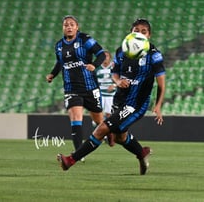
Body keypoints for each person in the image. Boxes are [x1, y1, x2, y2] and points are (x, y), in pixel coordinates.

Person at [57, 18, 165, 175]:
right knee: (120, 138)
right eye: (136, 30)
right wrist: (118, 81)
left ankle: (70, 160)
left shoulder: (154, 55)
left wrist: (158, 105)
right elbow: (114, 72)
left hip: (135, 104)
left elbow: (161, 82)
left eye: (144, 31)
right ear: (130, 32)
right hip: (120, 99)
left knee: (102, 128)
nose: (139, 33)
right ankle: (142, 153)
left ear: (149, 36)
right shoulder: (122, 50)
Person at [46, 15, 106, 156]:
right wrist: (52, 74)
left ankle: (108, 134)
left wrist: (94, 65)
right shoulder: (59, 45)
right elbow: (60, 63)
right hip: (71, 88)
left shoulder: (85, 39)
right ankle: (79, 153)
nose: (69, 27)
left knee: (99, 120)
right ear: (63, 28)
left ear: (77, 27)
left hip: (90, 87)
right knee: (75, 117)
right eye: (66, 24)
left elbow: (101, 54)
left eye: (72, 24)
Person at [95, 50, 117, 146]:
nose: (105, 58)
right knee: (99, 116)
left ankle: (110, 136)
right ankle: (102, 136)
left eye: (107, 56)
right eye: (103, 56)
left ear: (110, 57)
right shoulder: (97, 68)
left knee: (109, 115)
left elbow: (120, 79)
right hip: (100, 95)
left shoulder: (113, 67)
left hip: (110, 96)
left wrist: (114, 85)